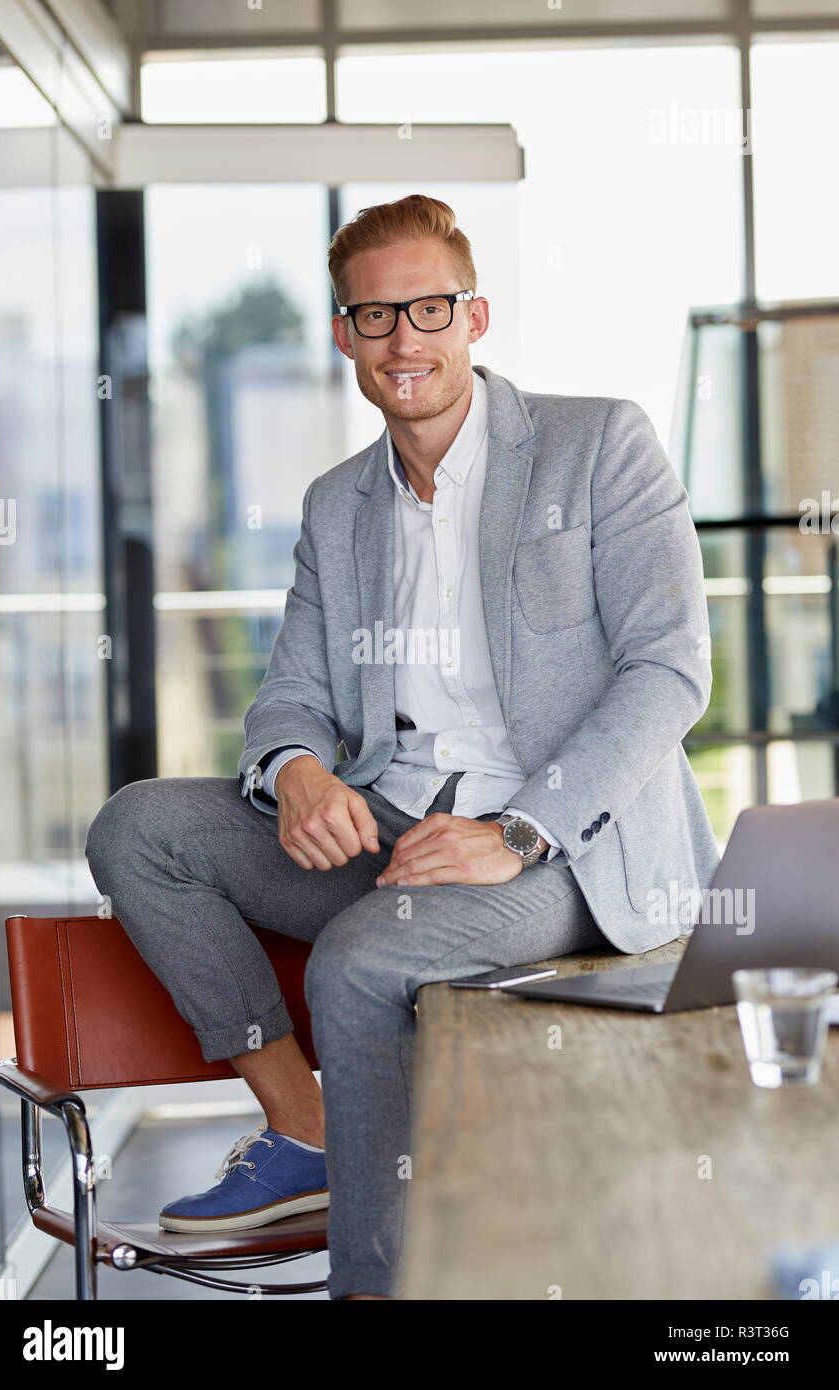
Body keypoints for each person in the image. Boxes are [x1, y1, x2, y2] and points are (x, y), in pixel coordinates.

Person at [84, 193, 719, 1301]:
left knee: (364, 960)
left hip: (568, 846)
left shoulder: (595, 445)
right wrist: (297, 770)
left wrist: (515, 832)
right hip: (393, 826)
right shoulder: (338, 506)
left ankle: (373, 1286)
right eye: (373, 317)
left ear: (474, 316)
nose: (402, 339)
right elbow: (290, 693)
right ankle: (307, 1127)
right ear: (343, 337)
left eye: (427, 308)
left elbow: (668, 672)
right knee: (137, 828)